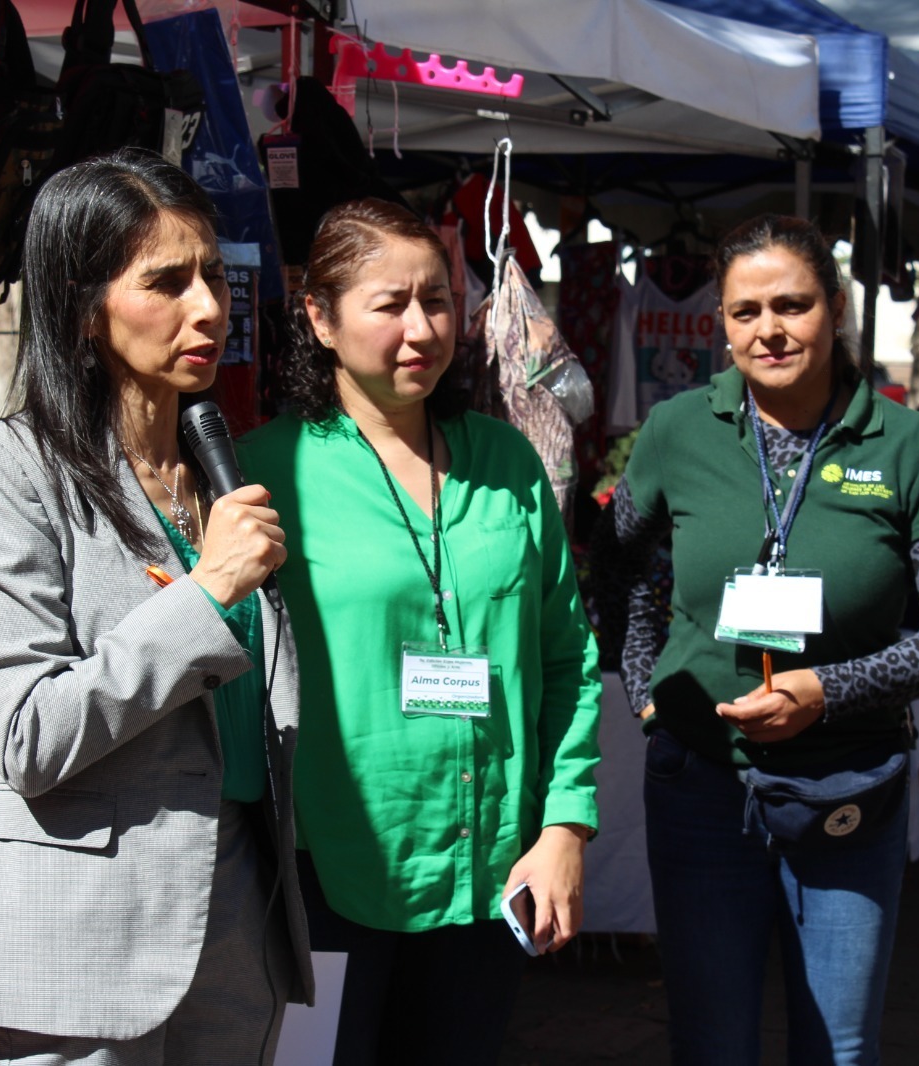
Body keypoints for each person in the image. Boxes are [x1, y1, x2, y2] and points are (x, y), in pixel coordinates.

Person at [0, 151, 313, 1065]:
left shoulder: (219, 473)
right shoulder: (0, 472)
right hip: (75, 932)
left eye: (213, 273)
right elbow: (25, 734)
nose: (209, 306)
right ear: (79, 303)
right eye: (167, 282)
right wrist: (209, 592)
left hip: (235, 911)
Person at [592, 214, 919, 1065]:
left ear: (837, 307)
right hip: (701, 783)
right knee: (712, 1043)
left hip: (848, 786)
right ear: (722, 323)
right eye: (746, 311)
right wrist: (643, 689)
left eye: (792, 305)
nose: (769, 329)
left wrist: (829, 690)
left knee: (839, 1048)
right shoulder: (677, 430)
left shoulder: (912, 446)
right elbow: (618, 567)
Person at [238, 198, 602, 1065]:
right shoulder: (262, 471)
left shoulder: (506, 461)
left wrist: (563, 829)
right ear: (321, 320)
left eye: (437, 301)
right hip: (323, 870)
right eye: (389, 304)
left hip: (487, 866)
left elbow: (567, 660)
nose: (421, 329)